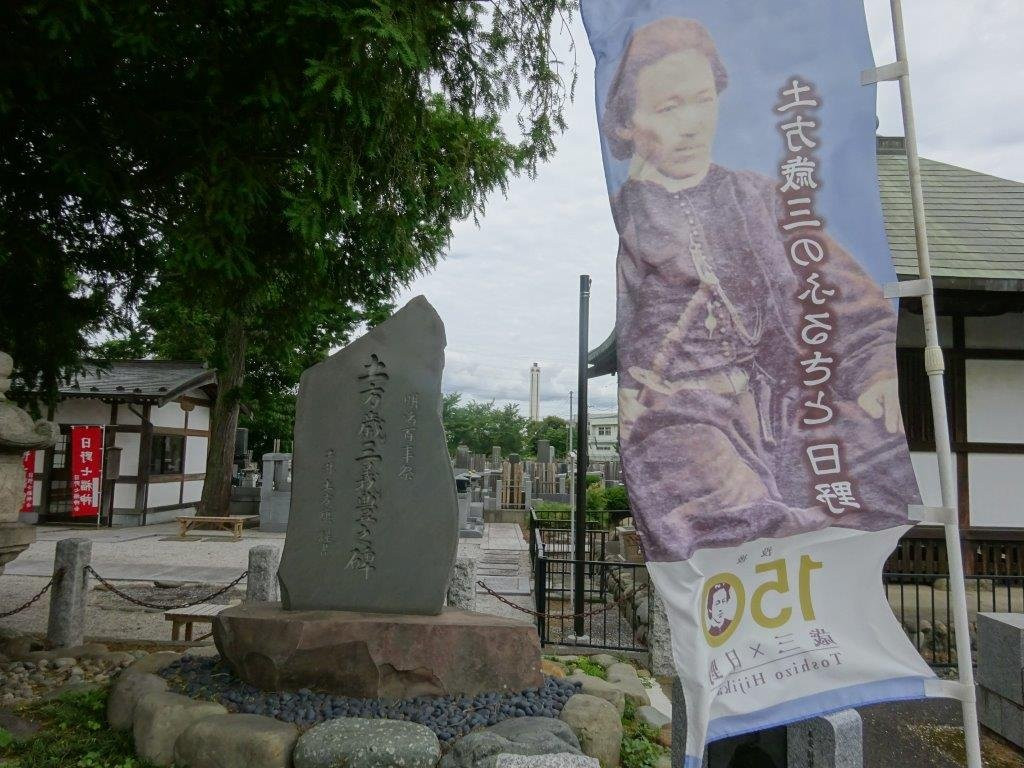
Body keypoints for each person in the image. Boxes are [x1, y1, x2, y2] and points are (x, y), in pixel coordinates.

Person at [603, 18, 919, 562]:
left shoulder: (759, 198)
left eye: (702, 100)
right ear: (628, 123)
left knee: (874, 457)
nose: (691, 124)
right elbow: (642, 351)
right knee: (731, 504)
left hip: (782, 405)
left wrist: (873, 368)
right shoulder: (633, 221)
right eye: (668, 107)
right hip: (683, 419)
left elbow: (843, 296)